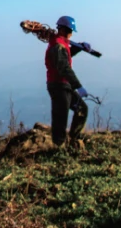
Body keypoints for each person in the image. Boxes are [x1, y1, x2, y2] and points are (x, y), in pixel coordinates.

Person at [45, 15, 89, 147]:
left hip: (64, 85)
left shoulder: (61, 43)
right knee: (60, 118)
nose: (71, 34)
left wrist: (81, 47)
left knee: (82, 109)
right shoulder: (57, 45)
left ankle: (73, 139)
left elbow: (67, 53)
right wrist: (78, 86)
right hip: (58, 86)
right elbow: (64, 67)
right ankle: (58, 147)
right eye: (70, 31)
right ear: (63, 30)